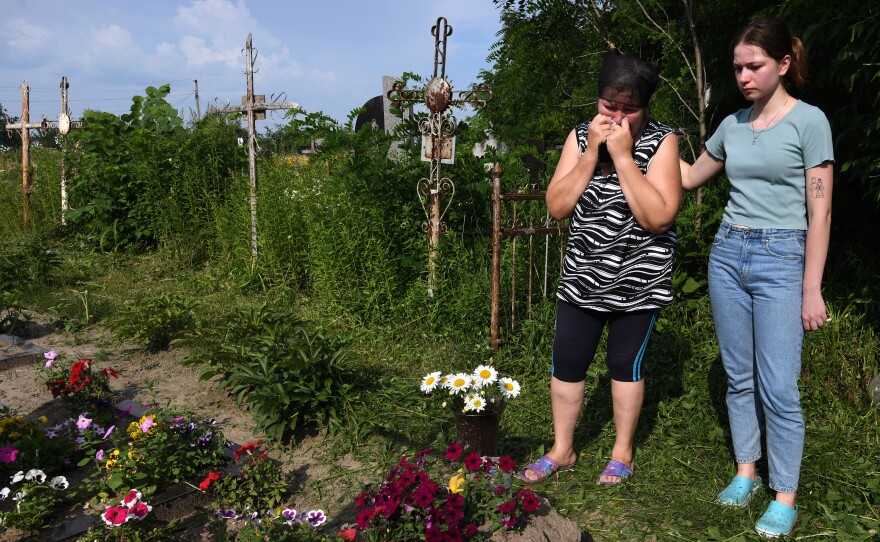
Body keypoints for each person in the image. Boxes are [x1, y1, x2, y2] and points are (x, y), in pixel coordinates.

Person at [679, 17, 833, 538]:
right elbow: (687, 177)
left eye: (755, 66)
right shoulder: (732, 125)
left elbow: (821, 213)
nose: (744, 76)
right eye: (738, 67)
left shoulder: (809, 122)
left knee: (779, 386)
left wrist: (811, 288)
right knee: (739, 376)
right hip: (727, 253)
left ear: (783, 64)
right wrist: (642, 140)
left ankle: (784, 494)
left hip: (782, 259)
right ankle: (747, 470)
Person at [518, 49, 681, 487]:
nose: (618, 117)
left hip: (639, 281)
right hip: (581, 279)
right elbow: (556, 206)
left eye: (630, 110)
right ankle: (562, 448)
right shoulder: (579, 136)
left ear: (645, 108)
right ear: (598, 101)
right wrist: (591, 155)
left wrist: (625, 158)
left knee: (625, 366)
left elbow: (659, 217)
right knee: (567, 364)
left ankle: (622, 451)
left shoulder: (663, 141)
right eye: (610, 107)